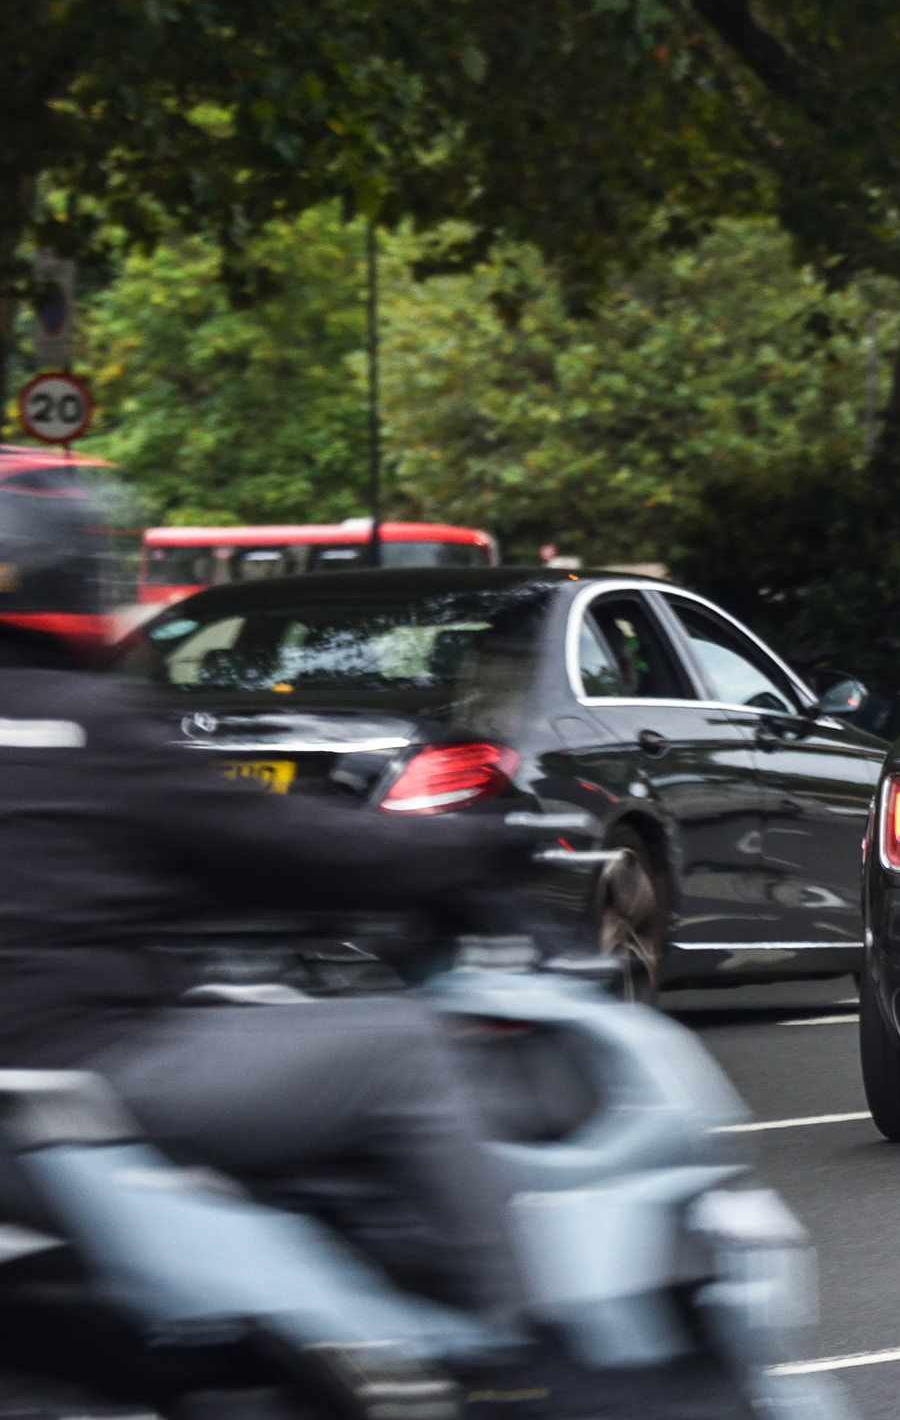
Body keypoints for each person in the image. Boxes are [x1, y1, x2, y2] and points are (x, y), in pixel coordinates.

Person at [0, 466, 532, 1323]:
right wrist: (479, 844)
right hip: (80, 1071)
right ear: (72, 574)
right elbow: (294, 843)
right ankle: (523, 1370)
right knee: (405, 1052)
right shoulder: (92, 723)